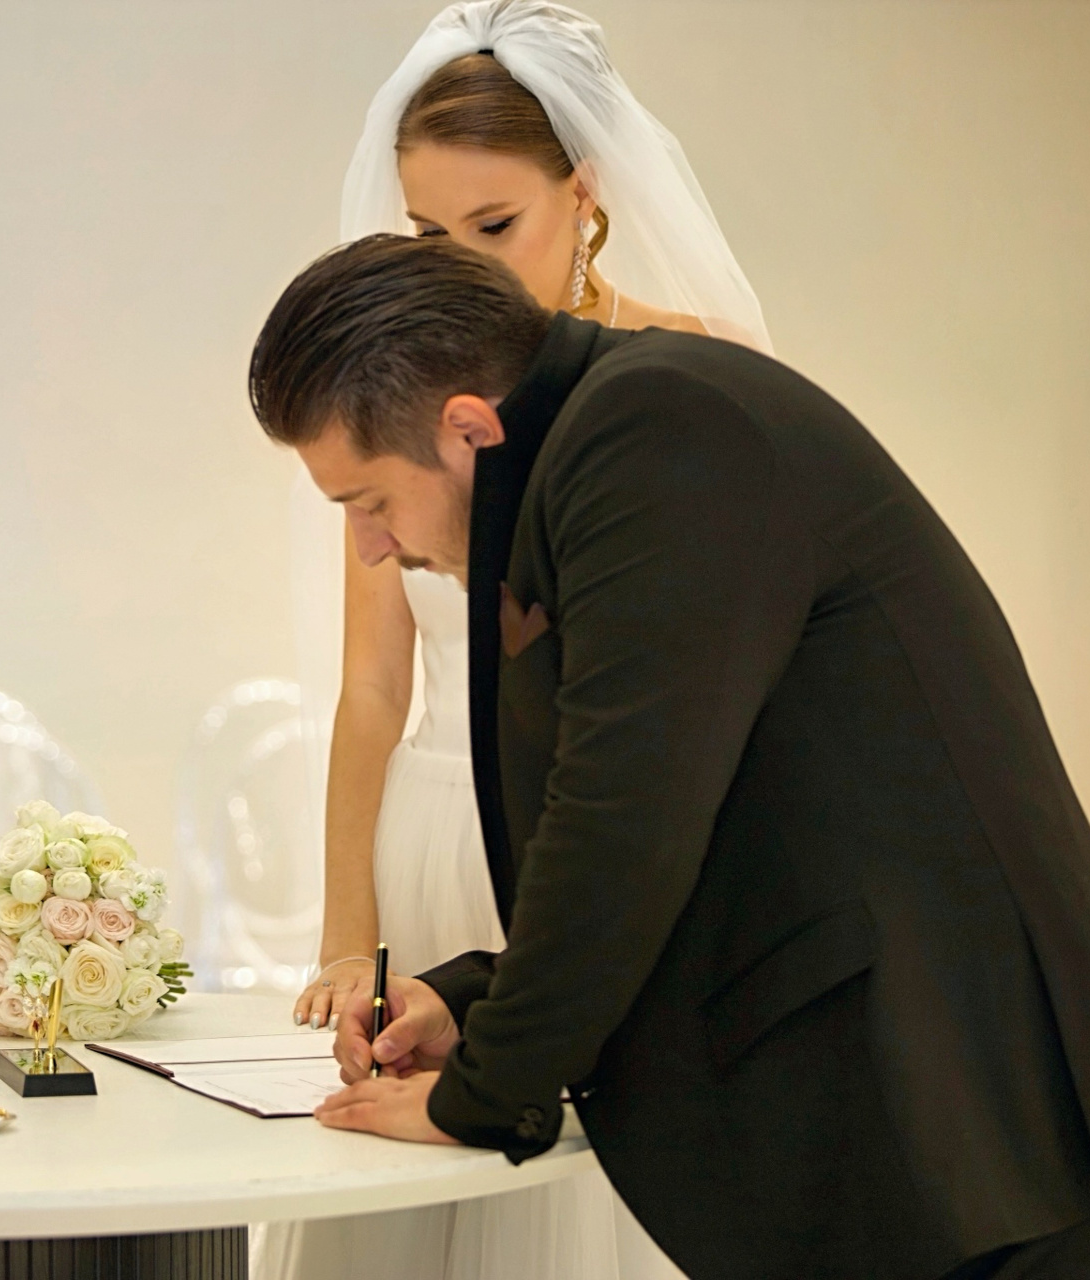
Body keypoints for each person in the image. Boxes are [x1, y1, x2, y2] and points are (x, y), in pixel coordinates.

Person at [251, 233, 1090, 1279]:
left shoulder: (654, 428)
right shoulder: (605, 440)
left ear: (467, 427)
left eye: (368, 501)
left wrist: (485, 1090)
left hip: (998, 1116)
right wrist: (472, 1000)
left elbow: (624, 820)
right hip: (931, 1123)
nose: (372, 546)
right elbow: (720, 820)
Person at [276, 5, 761, 1274]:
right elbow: (372, 685)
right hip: (437, 830)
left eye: (496, 226)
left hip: (597, 829)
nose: (467, 271)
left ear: (584, 194)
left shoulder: (683, 374)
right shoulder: (397, 405)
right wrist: (348, 930)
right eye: (430, 236)